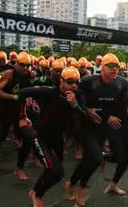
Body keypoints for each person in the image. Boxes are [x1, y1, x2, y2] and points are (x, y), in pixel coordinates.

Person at [67, 53, 128, 206]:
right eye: (110, 66)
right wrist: (88, 110)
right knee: (96, 158)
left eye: (117, 66)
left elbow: (125, 102)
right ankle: (81, 187)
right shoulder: (88, 81)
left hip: (103, 126)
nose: (114, 69)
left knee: (90, 159)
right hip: (85, 125)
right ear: (102, 68)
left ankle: (71, 182)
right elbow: (77, 101)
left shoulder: (122, 83)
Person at [17, 67, 86, 207]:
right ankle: (37, 195)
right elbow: (22, 93)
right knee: (56, 171)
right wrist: (23, 116)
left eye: (76, 82)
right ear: (61, 81)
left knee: (54, 171)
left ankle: (36, 191)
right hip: (40, 138)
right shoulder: (48, 91)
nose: (74, 85)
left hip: (57, 140)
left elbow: (83, 117)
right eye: (70, 81)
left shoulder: (77, 96)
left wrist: (75, 105)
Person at [0, 52, 35, 178]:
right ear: (16, 63)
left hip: (21, 113)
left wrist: (32, 101)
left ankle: (19, 168)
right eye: (22, 65)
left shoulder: (29, 74)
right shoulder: (9, 74)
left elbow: (29, 92)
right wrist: (14, 97)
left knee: (27, 138)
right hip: (6, 112)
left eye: (28, 65)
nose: (25, 68)